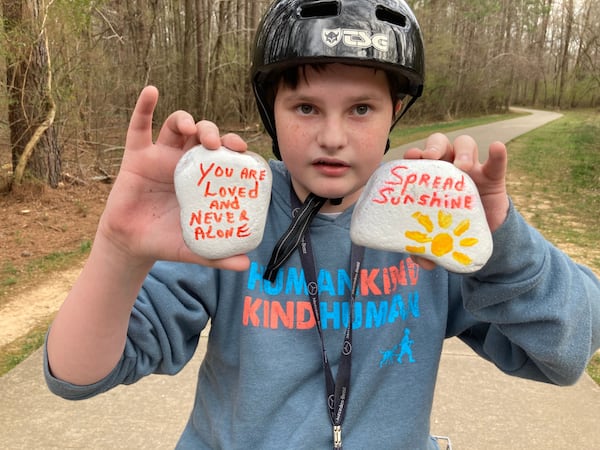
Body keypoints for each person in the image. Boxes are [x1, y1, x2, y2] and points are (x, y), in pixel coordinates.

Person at [44, 0, 600, 449]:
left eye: (361, 109)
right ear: (271, 111)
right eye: (306, 107)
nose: (333, 136)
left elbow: (566, 351)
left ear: (394, 115)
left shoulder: (430, 224)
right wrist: (119, 249)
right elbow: (77, 375)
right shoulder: (232, 213)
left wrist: (502, 244)